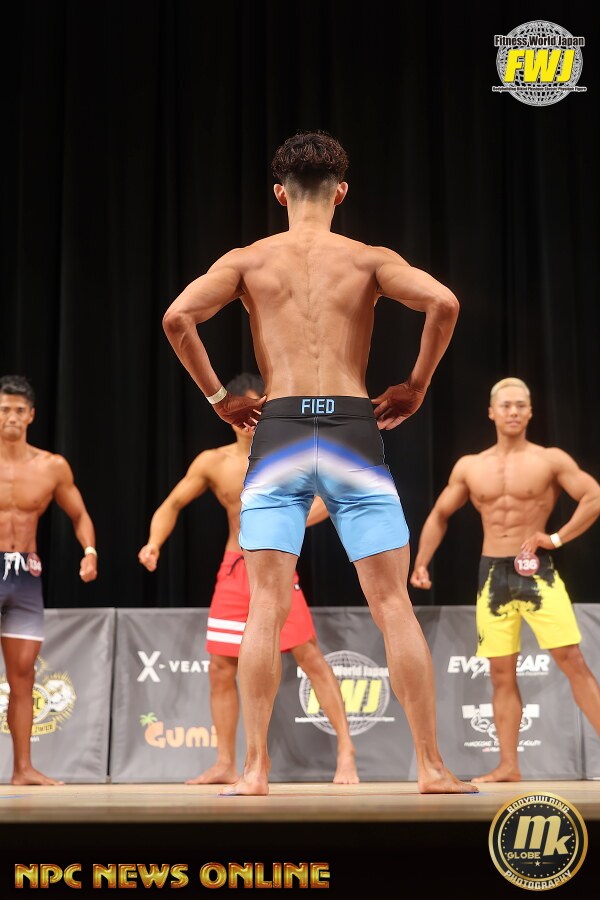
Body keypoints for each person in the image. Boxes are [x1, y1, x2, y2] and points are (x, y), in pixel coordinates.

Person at [162, 131, 475, 795]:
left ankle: (254, 771)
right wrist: (416, 385)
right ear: (341, 192)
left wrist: (219, 399)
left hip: (278, 430)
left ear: (280, 194)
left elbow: (178, 317)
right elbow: (444, 303)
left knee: (265, 608)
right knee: (391, 603)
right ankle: (430, 767)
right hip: (350, 429)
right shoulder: (367, 259)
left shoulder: (248, 260)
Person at [139, 372, 359, 784]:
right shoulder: (213, 462)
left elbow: (330, 498)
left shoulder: (290, 456)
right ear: (228, 412)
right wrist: (154, 543)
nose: (249, 418)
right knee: (221, 666)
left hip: (275, 567)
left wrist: (285, 523)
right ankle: (225, 763)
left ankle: (346, 749)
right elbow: (172, 504)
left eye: (257, 408)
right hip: (234, 568)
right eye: (241, 409)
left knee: (309, 656)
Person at [411, 377, 600, 782]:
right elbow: (440, 514)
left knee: (573, 661)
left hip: (538, 571)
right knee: (500, 674)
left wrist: (555, 538)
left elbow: (594, 496)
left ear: (530, 413)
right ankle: (509, 766)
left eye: (520, 405)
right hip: (492, 576)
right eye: (506, 405)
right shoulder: (470, 466)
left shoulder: (549, 459)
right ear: (491, 412)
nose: (513, 411)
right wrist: (422, 562)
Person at [0, 375, 97, 785]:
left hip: (25, 575)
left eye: (19, 410)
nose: (11, 417)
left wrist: (89, 552)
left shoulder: (51, 466)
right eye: (5, 409)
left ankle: (23, 769)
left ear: (31, 416)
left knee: (24, 676)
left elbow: (79, 514)